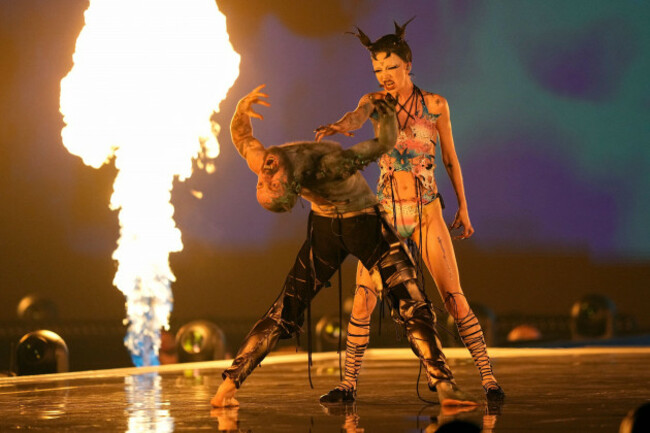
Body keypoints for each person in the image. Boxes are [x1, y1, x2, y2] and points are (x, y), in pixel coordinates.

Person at [210, 85, 478, 408]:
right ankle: (444, 384)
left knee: (285, 309)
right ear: (293, 183)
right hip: (360, 226)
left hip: (326, 229)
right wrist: (389, 113)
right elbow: (385, 143)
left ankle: (227, 387)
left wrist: (240, 112)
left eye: (265, 179)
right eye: (270, 181)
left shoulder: (266, 161)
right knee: (411, 301)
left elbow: (243, 141)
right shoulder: (329, 165)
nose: (265, 173)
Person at [315, 20, 504, 402]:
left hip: (426, 211)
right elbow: (355, 117)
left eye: (391, 68)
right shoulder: (374, 103)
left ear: (408, 64)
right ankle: (347, 384)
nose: (384, 76)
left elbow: (450, 158)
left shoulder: (435, 105)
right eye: (378, 70)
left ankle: (488, 379)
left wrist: (464, 208)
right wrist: (340, 126)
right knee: (364, 299)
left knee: (453, 297)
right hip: (385, 214)